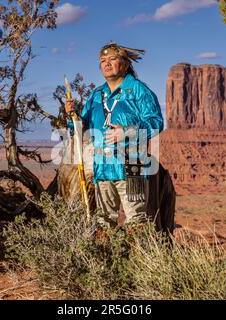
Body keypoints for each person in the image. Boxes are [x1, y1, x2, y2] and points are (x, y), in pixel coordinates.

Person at [65, 42, 164, 229]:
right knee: (103, 222)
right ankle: (106, 257)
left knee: (137, 221)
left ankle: (140, 257)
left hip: (132, 166)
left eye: (112, 59)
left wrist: (126, 132)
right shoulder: (96, 95)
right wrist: (72, 115)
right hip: (102, 167)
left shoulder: (138, 90)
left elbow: (156, 123)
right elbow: (82, 127)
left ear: (125, 64)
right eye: (103, 61)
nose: (107, 64)